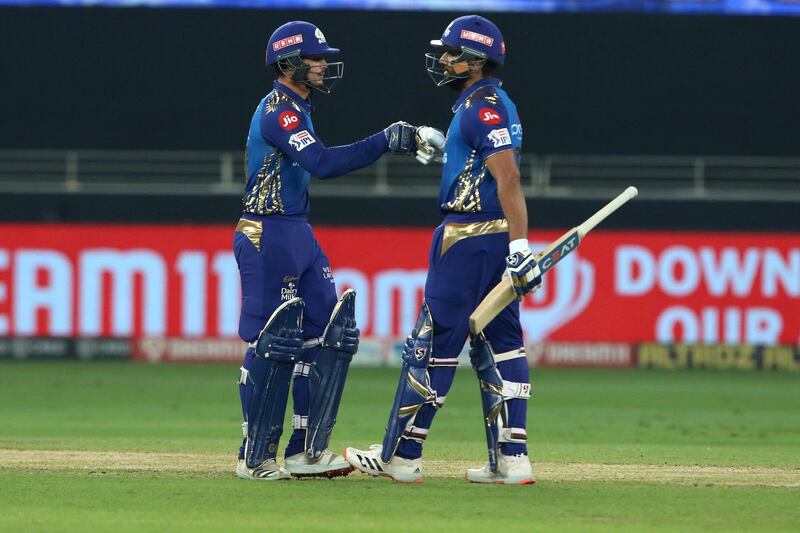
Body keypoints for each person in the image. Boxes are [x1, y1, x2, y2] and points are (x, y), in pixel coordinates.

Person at [344, 15, 542, 484]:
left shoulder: (480, 108)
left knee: (434, 344)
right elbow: (484, 163)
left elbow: (508, 177)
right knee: (504, 344)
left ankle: (403, 455)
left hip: (469, 241)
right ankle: (512, 460)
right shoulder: (489, 104)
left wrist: (520, 245)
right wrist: (448, 146)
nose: (443, 60)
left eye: (451, 53)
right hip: (490, 239)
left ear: (474, 61)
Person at [234, 20, 420, 481]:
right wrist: (383, 141)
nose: (323, 64)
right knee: (271, 342)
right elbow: (320, 162)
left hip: (296, 229)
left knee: (329, 335)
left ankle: (305, 452)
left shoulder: (300, 107)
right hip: (266, 232)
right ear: (289, 62)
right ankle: (253, 455)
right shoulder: (280, 111)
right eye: (315, 58)